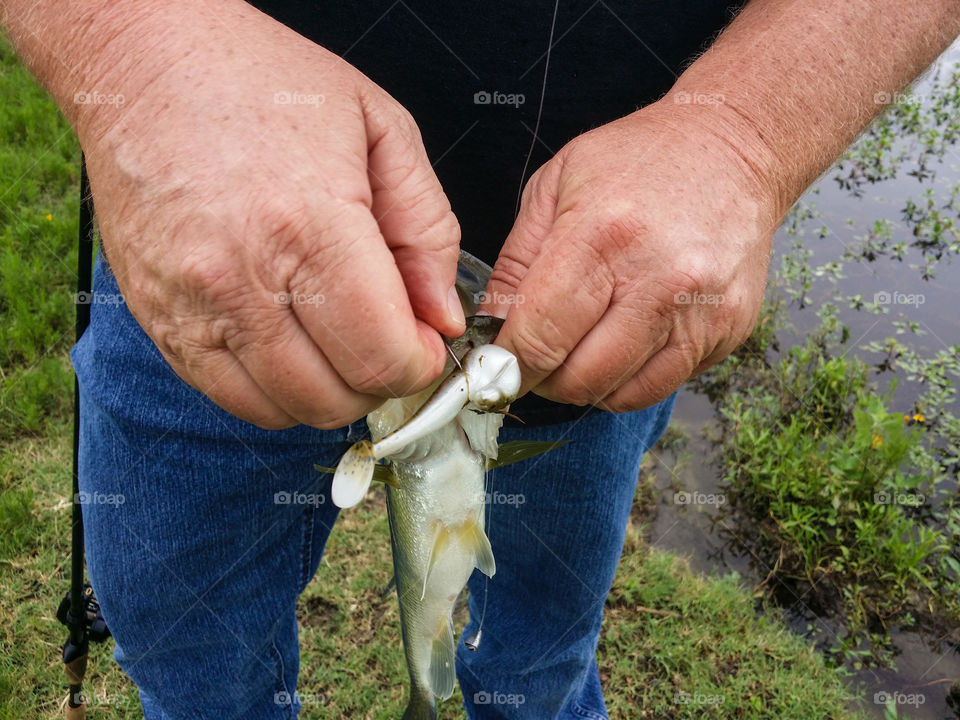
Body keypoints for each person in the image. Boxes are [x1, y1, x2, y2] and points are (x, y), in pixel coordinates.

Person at [2, 1, 957, 717]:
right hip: (213, 260)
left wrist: (744, 136)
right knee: (183, 656)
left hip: (608, 301)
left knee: (538, 670)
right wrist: (132, 48)